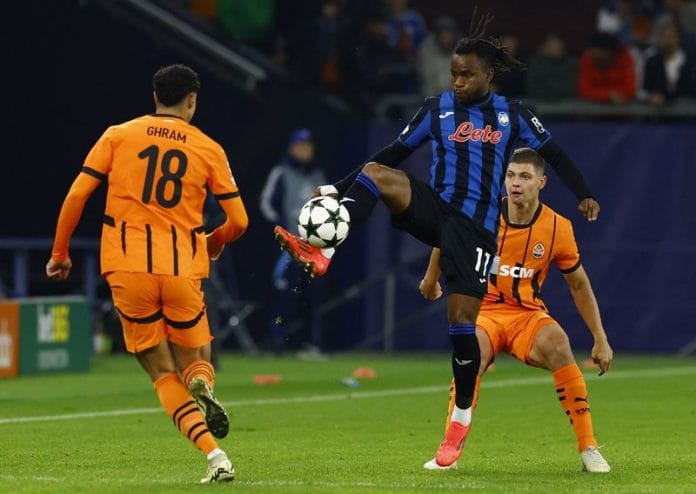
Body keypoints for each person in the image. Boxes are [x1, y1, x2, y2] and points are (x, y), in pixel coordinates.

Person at [274, 9, 600, 467]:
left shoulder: (512, 115)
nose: (458, 81)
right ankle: (323, 248)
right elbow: (394, 151)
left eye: (467, 75)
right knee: (376, 173)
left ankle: (460, 423)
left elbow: (557, 154)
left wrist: (584, 193)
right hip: (437, 209)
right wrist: (336, 187)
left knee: (461, 329)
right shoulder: (437, 109)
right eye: (454, 74)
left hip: (475, 231)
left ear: (487, 75)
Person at [45, 64, 249, 483]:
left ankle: (215, 457)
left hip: (127, 266)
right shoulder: (208, 148)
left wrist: (60, 252)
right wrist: (214, 241)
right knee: (195, 360)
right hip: (181, 268)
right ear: (192, 100)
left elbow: (78, 194)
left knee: (160, 371)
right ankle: (201, 383)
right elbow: (240, 221)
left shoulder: (118, 135)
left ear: (155, 96)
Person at [419, 147, 613, 472]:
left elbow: (579, 285)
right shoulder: (481, 213)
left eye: (524, 176)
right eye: (510, 175)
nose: (515, 183)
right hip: (484, 311)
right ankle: (451, 444)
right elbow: (446, 237)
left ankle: (588, 446)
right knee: (471, 350)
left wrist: (600, 338)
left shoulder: (558, 227)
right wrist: (430, 279)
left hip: (527, 315)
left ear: (541, 182)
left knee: (559, 344)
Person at [260, 128, 327, 355]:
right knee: (284, 293)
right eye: (300, 146)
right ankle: (277, 340)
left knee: (312, 295)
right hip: (287, 247)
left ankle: (311, 343)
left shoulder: (318, 175)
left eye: (308, 146)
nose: (304, 150)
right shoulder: (281, 172)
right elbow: (266, 204)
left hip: (313, 247)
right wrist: (282, 230)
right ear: (292, 148)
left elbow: (329, 208)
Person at [642, 20, 696, 106]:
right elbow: (643, 90)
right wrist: (650, 97)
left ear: (678, 39)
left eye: (671, 36)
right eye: (665, 36)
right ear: (659, 39)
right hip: (658, 111)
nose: (668, 40)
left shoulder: (689, 62)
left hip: (686, 110)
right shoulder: (651, 62)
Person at [578, 32, 637, 104]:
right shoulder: (587, 58)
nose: (592, 55)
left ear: (609, 52)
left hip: (622, 104)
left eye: (598, 52)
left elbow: (630, 88)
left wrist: (617, 95)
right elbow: (584, 90)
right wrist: (607, 95)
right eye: (590, 51)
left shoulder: (624, 58)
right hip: (593, 104)